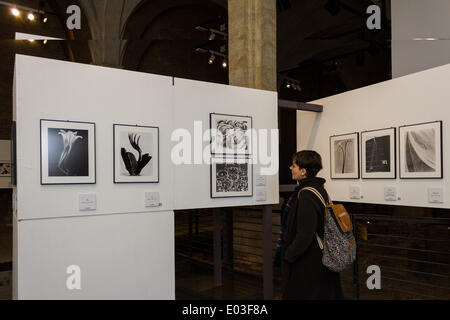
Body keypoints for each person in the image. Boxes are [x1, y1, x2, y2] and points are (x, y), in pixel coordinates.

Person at [281, 150, 343, 300]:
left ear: (303, 171)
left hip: (310, 262)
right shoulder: (320, 190)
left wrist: (289, 254)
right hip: (323, 258)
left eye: (294, 165)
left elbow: (305, 233)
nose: (290, 168)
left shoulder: (306, 195)